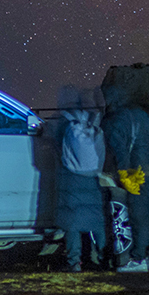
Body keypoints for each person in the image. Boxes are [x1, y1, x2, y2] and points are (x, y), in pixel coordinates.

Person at [103, 90, 149, 272]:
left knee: (139, 216)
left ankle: (138, 259)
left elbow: (120, 151)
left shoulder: (117, 120)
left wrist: (124, 175)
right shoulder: (142, 116)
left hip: (137, 170)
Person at [54, 85, 109, 272]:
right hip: (94, 176)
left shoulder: (64, 122)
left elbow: (53, 141)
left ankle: (74, 262)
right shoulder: (94, 120)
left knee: (73, 223)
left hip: (72, 177)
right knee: (97, 220)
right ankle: (104, 258)